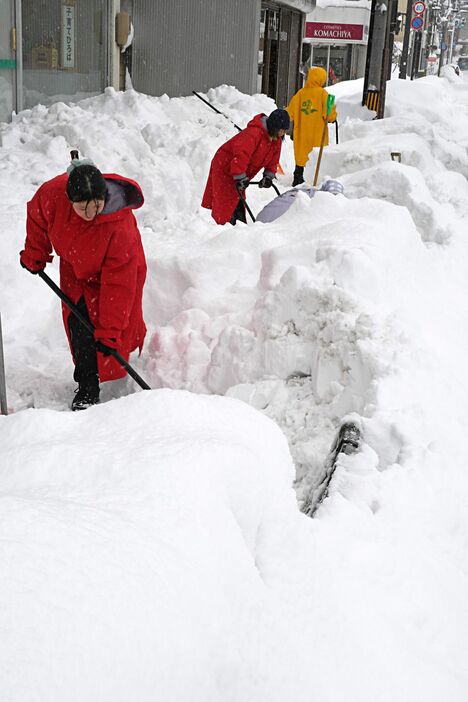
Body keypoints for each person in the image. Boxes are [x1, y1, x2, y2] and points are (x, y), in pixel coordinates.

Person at [20, 153, 147, 411]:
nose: (90, 214)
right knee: (80, 325)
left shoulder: (120, 226)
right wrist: (36, 252)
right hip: (75, 269)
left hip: (113, 275)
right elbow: (37, 216)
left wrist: (109, 331)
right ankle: (88, 386)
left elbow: (119, 284)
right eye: (81, 208)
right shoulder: (52, 194)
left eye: (97, 206)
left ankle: (110, 362)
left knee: (109, 329)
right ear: (69, 200)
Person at [202, 108, 290, 225]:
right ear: (274, 126)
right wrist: (240, 177)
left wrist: (268, 176)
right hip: (225, 166)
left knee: (237, 198)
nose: (283, 133)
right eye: (281, 130)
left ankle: (237, 224)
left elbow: (274, 160)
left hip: (238, 168)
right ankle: (223, 229)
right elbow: (241, 155)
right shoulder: (253, 134)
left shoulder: (276, 140)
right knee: (226, 201)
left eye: (284, 131)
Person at [286, 66, 337, 187]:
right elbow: (330, 116)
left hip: (302, 134)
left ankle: (298, 177)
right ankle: (314, 181)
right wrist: (333, 116)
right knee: (315, 157)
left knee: (301, 156)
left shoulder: (300, 94)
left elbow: (289, 114)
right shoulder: (323, 94)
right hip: (317, 135)